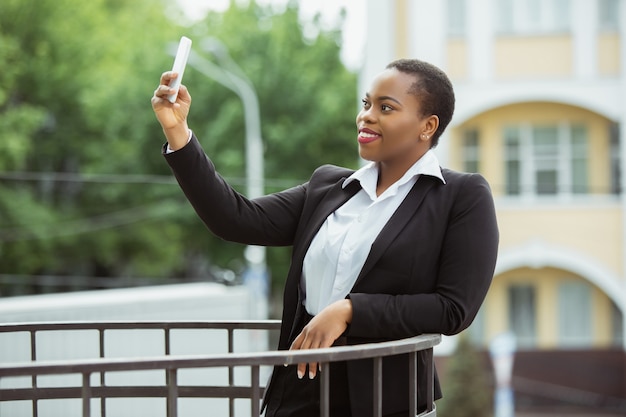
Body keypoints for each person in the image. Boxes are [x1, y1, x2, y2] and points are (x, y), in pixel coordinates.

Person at [152, 58, 499, 417]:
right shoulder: (329, 187)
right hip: (299, 388)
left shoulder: (461, 195)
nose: (366, 116)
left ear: (427, 126)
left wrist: (350, 310)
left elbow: (453, 308)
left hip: (385, 397)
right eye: (366, 104)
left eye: (386, 107)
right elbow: (234, 219)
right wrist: (178, 132)